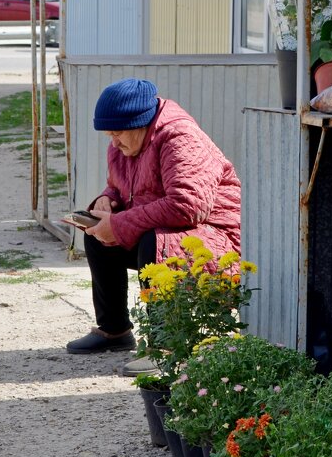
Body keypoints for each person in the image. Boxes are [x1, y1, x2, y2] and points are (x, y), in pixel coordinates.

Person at [66, 78, 242, 357]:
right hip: (169, 228)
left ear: (141, 122)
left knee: (155, 243)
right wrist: (106, 200)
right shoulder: (124, 143)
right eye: (108, 134)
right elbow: (119, 186)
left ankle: (163, 346)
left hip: (217, 239)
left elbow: (187, 207)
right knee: (98, 237)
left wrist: (120, 224)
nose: (113, 141)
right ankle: (114, 331)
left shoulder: (180, 138)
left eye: (118, 133)